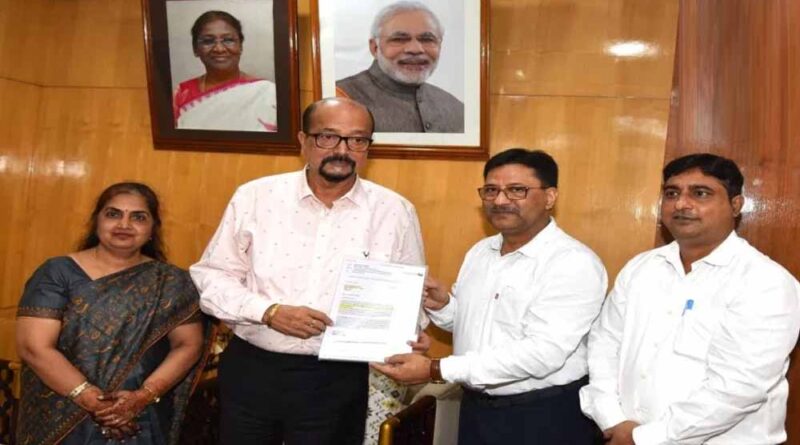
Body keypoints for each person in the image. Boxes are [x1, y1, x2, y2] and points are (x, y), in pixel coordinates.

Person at [190, 97, 427, 444]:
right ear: (303, 140)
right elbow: (211, 276)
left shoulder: (394, 211)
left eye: (357, 140)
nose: (342, 150)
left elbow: (410, 297)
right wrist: (269, 312)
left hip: (337, 380)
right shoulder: (255, 197)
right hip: (254, 370)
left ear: (369, 147)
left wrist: (409, 333)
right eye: (328, 137)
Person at [374, 148, 608, 444]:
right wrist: (444, 306)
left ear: (550, 197)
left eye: (516, 190)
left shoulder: (573, 263)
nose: (500, 201)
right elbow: (478, 327)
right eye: (491, 190)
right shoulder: (481, 251)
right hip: (477, 409)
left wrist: (436, 368)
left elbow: (541, 353)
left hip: (541, 415)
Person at [579, 154, 800, 445]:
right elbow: (604, 344)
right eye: (672, 193)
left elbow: (738, 388)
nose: (681, 204)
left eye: (700, 193)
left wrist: (644, 438)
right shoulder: (641, 268)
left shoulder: (765, 282)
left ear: (736, 205)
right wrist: (612, 419)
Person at [15, 182, 209, 445]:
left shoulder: (171, 282)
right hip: (63, 410)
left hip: (140, 415)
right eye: (113, 214)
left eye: (138, 217)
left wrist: (142, 396)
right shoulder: (57, 272)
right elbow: (34, 346)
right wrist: (92, 401)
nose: (124, 224)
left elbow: (188, 345)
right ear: (97, 221)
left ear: (153, 228)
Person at [336, 1, 464, 133]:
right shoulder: (340, 97)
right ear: (374, 48)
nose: (415, 49)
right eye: (399, 39)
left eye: (427, 39)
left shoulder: (457, 109)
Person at [173, 10, 277, 132]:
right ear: (195, 49)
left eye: (228, 40)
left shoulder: (267, 93)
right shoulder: (181, 95)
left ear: (240, 46)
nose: (219, 49)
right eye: (208, 41)